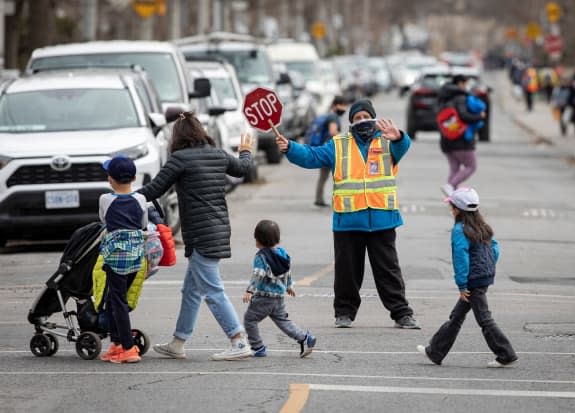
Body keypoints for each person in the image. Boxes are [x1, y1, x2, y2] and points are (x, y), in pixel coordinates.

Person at [275, 99, 420, 329]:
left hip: (382, 220)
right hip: (348, 220)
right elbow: (312, 156)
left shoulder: (388, 141)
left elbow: (402, 147)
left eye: (366, 117)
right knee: (347, 273)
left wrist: (400, 136)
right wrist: (291, 147)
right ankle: (344, 313)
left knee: (388, 271)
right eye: (357, 118)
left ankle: (402, 313)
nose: (362, 121)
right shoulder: (338, 144)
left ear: (373, 118)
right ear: (351, 121)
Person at [138, 111, 255, 361]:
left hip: (201, 234)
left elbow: (153, 190)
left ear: (177, 136)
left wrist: (123, 195)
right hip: (218, 229)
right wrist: (245, 150)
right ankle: (178, 342)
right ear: (201, 131)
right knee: (191, 291)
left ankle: (238, 340)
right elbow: (243, 168)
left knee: (213, 290)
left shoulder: (179, 159)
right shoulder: (218, 154)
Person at [416, 187, 518, 368]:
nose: (451, 210)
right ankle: (435, 352)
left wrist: (462, 284)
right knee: (457, 316)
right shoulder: (483, 226)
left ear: (456, 210)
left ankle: (506, 354)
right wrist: (488, 266)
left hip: (473, 280)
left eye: (452, 207)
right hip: (484, 276)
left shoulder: (459, 229)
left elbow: (460, 257)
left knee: (484, 319)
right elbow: (494, 248)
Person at [98, 155, 148, 363]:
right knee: (113, 299)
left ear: (110, 179)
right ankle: (117, 343)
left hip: (115, 260)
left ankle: (128, 348)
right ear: (134, 177)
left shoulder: (105, 199)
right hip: (136, 258)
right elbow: (143, 224)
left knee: (117, 301)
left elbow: (103, 220)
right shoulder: (141, 199)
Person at [242, 219, 316, 358]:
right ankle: (305, 338)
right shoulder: (283, 253)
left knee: (250, 320)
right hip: (279, 297)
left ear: (259, 240)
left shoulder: (261, 256)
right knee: (283, 321)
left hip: (264, 298)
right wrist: (289, 286)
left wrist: (249, 291)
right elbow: (287, 271)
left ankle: (257, 347)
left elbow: (258, 275)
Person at [438, 75, 487, 197]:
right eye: (466, 84)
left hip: (446, 138)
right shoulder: (460, 98)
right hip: (461, 139)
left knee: (454, 169)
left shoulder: (443, 98)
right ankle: (450, 187)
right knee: (471, 166)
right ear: (460, 83)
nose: (467, 87)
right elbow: (464, 116)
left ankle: (452, 197)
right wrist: (479, 117)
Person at [308, 96, 348, 207]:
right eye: (343, 105)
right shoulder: (333, 117)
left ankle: (319, 199)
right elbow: (332, 131)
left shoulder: (327, 115)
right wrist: (346, 138)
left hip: (325, 150)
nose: (344, 108)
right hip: (332, 151)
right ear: (336, 105)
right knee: (339, 176)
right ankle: (337, 201)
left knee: (323, 177)